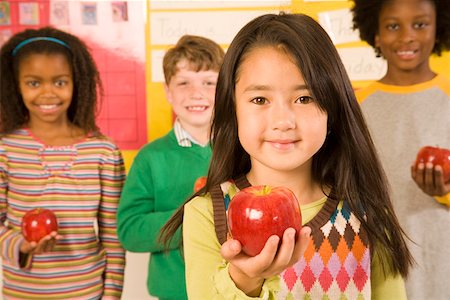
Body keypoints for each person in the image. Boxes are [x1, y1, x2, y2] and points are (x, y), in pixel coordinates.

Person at [160, 13, 413, 299]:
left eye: (305, 98)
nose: (283, 121)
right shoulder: (207, 215)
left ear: (333, 108)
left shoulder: (368, 214)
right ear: (233, 109)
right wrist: (245, 279)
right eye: (259, 100)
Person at [0, 27, 126, 299]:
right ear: (16, 85)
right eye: (34, 83)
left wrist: (112, 295)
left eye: (60, 82)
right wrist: (21, 245)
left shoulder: (103, 151)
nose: (48, 93)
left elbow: (114, 237)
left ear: (76, 82)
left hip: (87, 292)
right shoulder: (5, 149)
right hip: (22, 293)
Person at [351, 1, 450, 299]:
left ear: (437, 28)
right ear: (377, 34)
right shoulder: (356, 106)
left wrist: (445, 190)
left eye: (420, 24)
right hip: (377, 260)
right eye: (393, 26)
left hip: (440, 258)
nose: (407, 36)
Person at [117, 35, 224, 300]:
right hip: (175, 293)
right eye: (183, 83)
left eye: (209, 83)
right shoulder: (151, 158)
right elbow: (129, 230)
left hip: (233, 291)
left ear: (224, 90)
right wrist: (192, 218)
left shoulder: (243, 150)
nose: (196, 93)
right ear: (168, 91)